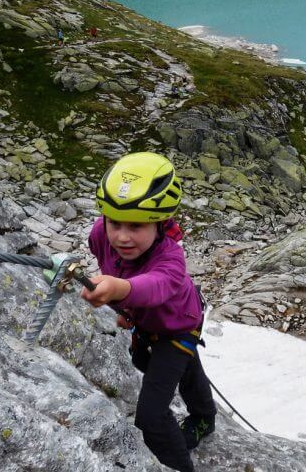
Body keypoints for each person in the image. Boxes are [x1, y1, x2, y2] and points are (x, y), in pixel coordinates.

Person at [81, 152, 216, 472]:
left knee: (152, 416)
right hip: (146, 322)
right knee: (154, 362)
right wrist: (123, 305)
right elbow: (114, 264)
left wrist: (118, 291)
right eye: (115, 222)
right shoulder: (100, 234)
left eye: (137, 226)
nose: (122, 236)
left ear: (161, 223)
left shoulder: (171, 259)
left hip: (178, 327)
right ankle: (204, 416)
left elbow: (154, 286)